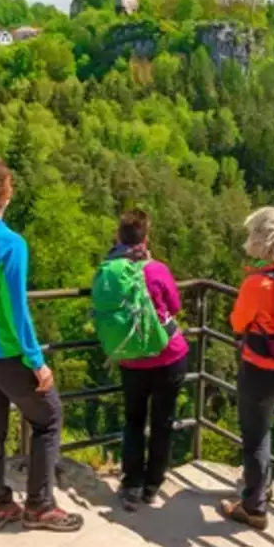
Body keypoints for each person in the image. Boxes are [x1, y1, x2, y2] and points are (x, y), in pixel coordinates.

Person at [0, 159, 84, 533]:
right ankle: (39, 506)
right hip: (8, 353)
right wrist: (36, 361)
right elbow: (15, 309)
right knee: (49, 416)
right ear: (1, 196)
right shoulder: (10, 244)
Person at [220, 207, 274, 531]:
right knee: (264, 428)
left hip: (261, 373)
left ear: (257, 239)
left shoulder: (258, 284)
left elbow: (238, 322)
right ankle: (264, 485)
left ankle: (254, 507)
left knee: (254, 436)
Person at [110, 210, 189, 512]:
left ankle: (132, 484)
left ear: (119, 238)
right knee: (162, 422)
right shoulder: (157, 270)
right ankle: (153, 486)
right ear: (146, 238)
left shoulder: (113, 271)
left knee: (133, 421)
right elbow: (175, 306)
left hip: (132, 359)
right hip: (169, 356)